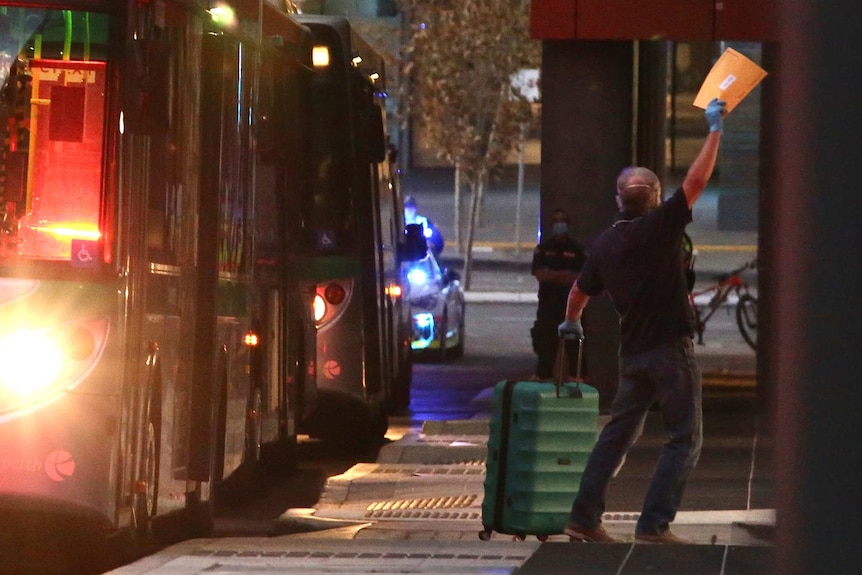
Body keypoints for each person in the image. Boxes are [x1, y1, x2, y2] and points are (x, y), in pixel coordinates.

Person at [557, 97, 727, 544]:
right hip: (671, 351)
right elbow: (695, 180)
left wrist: (571, 322)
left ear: (618, 199)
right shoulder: (661, 226)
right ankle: (653, 526)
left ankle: (583, 517)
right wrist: (714, 130)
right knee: (683, 439)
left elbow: (578, 292)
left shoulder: (604, 245)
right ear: (654, 199)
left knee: (615, 436)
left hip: (632, 355)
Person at [530, 208, 586, 379]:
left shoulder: (577, 249)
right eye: (556, 221)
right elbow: (540, 274)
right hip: (548, 307)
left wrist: (553, 275)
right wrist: (564, 275)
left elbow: (580, 278)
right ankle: (543, 380)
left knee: (575, 347)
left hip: (572, 307)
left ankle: (578, 383)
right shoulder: (543, 249)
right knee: (545, 346)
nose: (559, 224)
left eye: (562, 221)